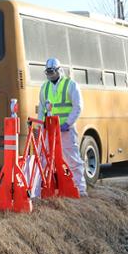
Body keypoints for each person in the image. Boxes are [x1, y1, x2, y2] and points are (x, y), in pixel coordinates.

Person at [37, 57, 87, 196]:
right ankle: (46, 190)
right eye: (47, 72)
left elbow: (78, 107)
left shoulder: (70, 85)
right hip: (49, 130)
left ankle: (80, 190)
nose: (50, 75)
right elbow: (41, 109)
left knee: (72, 160)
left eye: (52, 72)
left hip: (65, 130)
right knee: (44, 160)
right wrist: (40, 128)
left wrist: (68, 123)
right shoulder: (45, 87)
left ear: (59, 70)